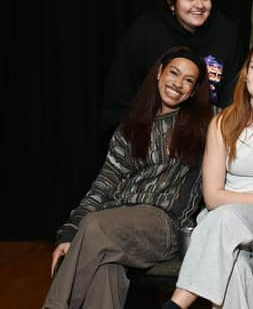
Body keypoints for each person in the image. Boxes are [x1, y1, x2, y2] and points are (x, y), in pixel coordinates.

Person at [43, 46, 213, 309]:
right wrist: (69, 233)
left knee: (95, 226)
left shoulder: (205, 126)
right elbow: (104, 184)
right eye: (174, 73)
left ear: (193, 90)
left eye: (188, 80)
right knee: (104, 272)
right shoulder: (130, 128)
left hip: (163, 225)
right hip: (114, 222)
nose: (178, 84)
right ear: (159, 73)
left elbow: (242, 119)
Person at [162, 41, 253, 309]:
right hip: (223, 224)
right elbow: (212, 197)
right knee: (234, 268)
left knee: (224, 219)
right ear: (246, 74)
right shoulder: (222, 123)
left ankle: (176, 304)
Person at [101, 0, 243, 139]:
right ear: (171, 3)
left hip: (208, 134)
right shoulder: (145, 33)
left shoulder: (226, 33)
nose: (199, 5)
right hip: (150, 134)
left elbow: (233, 93)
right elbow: (122, 93)